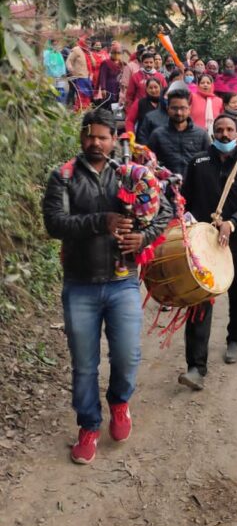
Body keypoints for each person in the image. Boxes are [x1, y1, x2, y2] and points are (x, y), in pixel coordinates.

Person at [42, 109, 172, 464]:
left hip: (122, 282)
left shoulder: (129, 174)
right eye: (90, 136)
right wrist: (102, 221)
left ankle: (119, 402)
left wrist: (142, 237)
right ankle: (88, 427)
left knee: (127, 354)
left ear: (115, 139)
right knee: (84, 365)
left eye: (103, 137)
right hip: (80, 285)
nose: (96, 143)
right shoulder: (64, 177)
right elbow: (55, 223)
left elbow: (164, 210)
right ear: (81, 137)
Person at [178, 114, 237, 390]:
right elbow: (185, 199)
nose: (225, 135)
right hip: (201, 247)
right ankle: (195, 367)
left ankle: (235, 339)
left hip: (234, 244)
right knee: (199, 300)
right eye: (220, 130)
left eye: (230, 130)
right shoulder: (198, 163)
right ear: (212, 132)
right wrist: (187, 223)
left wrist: (233, 223)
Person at [148, 89, 211, 177]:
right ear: (167, 108)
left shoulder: (202, 135)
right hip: (166, 186)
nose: (179, 113)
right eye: (174, 108)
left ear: (189, 109)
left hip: (194, 186)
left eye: (183, 108)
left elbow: (209, 163)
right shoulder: (157, 135)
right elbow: (149, 165)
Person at [125, 77, 166, 141]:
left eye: (156, 87)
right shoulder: (139, 103)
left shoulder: (166, 103)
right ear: (146, 89)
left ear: (160, 88)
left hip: (162, 141)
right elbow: (130, 121)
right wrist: (131, 135)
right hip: (143, 142)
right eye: (150, 88)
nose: (153, 90)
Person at [66, 36, 95, 110]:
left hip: (88, 77)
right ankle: (79, 111)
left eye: (89, 43)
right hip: (79, 77)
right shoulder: (76, 49)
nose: (88, 44)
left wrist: (90, 55)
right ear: (83, 41)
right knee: (81, 96)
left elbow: (94, 64)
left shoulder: (88, 51)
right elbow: (69, 61)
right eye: (87, 42)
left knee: (87, 96)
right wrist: (71, 69)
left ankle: (86, 111)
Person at [97, 42, 123, 107]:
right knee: (109, 103)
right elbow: (103, 76)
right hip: (109, 87)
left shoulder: (122, 63)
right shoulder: (106, 63)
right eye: (114, 52)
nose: (116, 54)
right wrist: (103, 88)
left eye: (118, 53)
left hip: (119, 87)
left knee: (118, 104)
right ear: (111, 53)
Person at [43, 37, 67, 103]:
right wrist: (53, 73)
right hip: (50, 76)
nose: (55, 44)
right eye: (54, 42)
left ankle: (60, 106)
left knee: (60, 92)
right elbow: (46, 64)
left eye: (56, 42)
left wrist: (63, 73)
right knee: (50, 92)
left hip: (59, 77)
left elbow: (62, 64)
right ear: (50, 43)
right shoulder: (46, 53)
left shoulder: (58, 53)